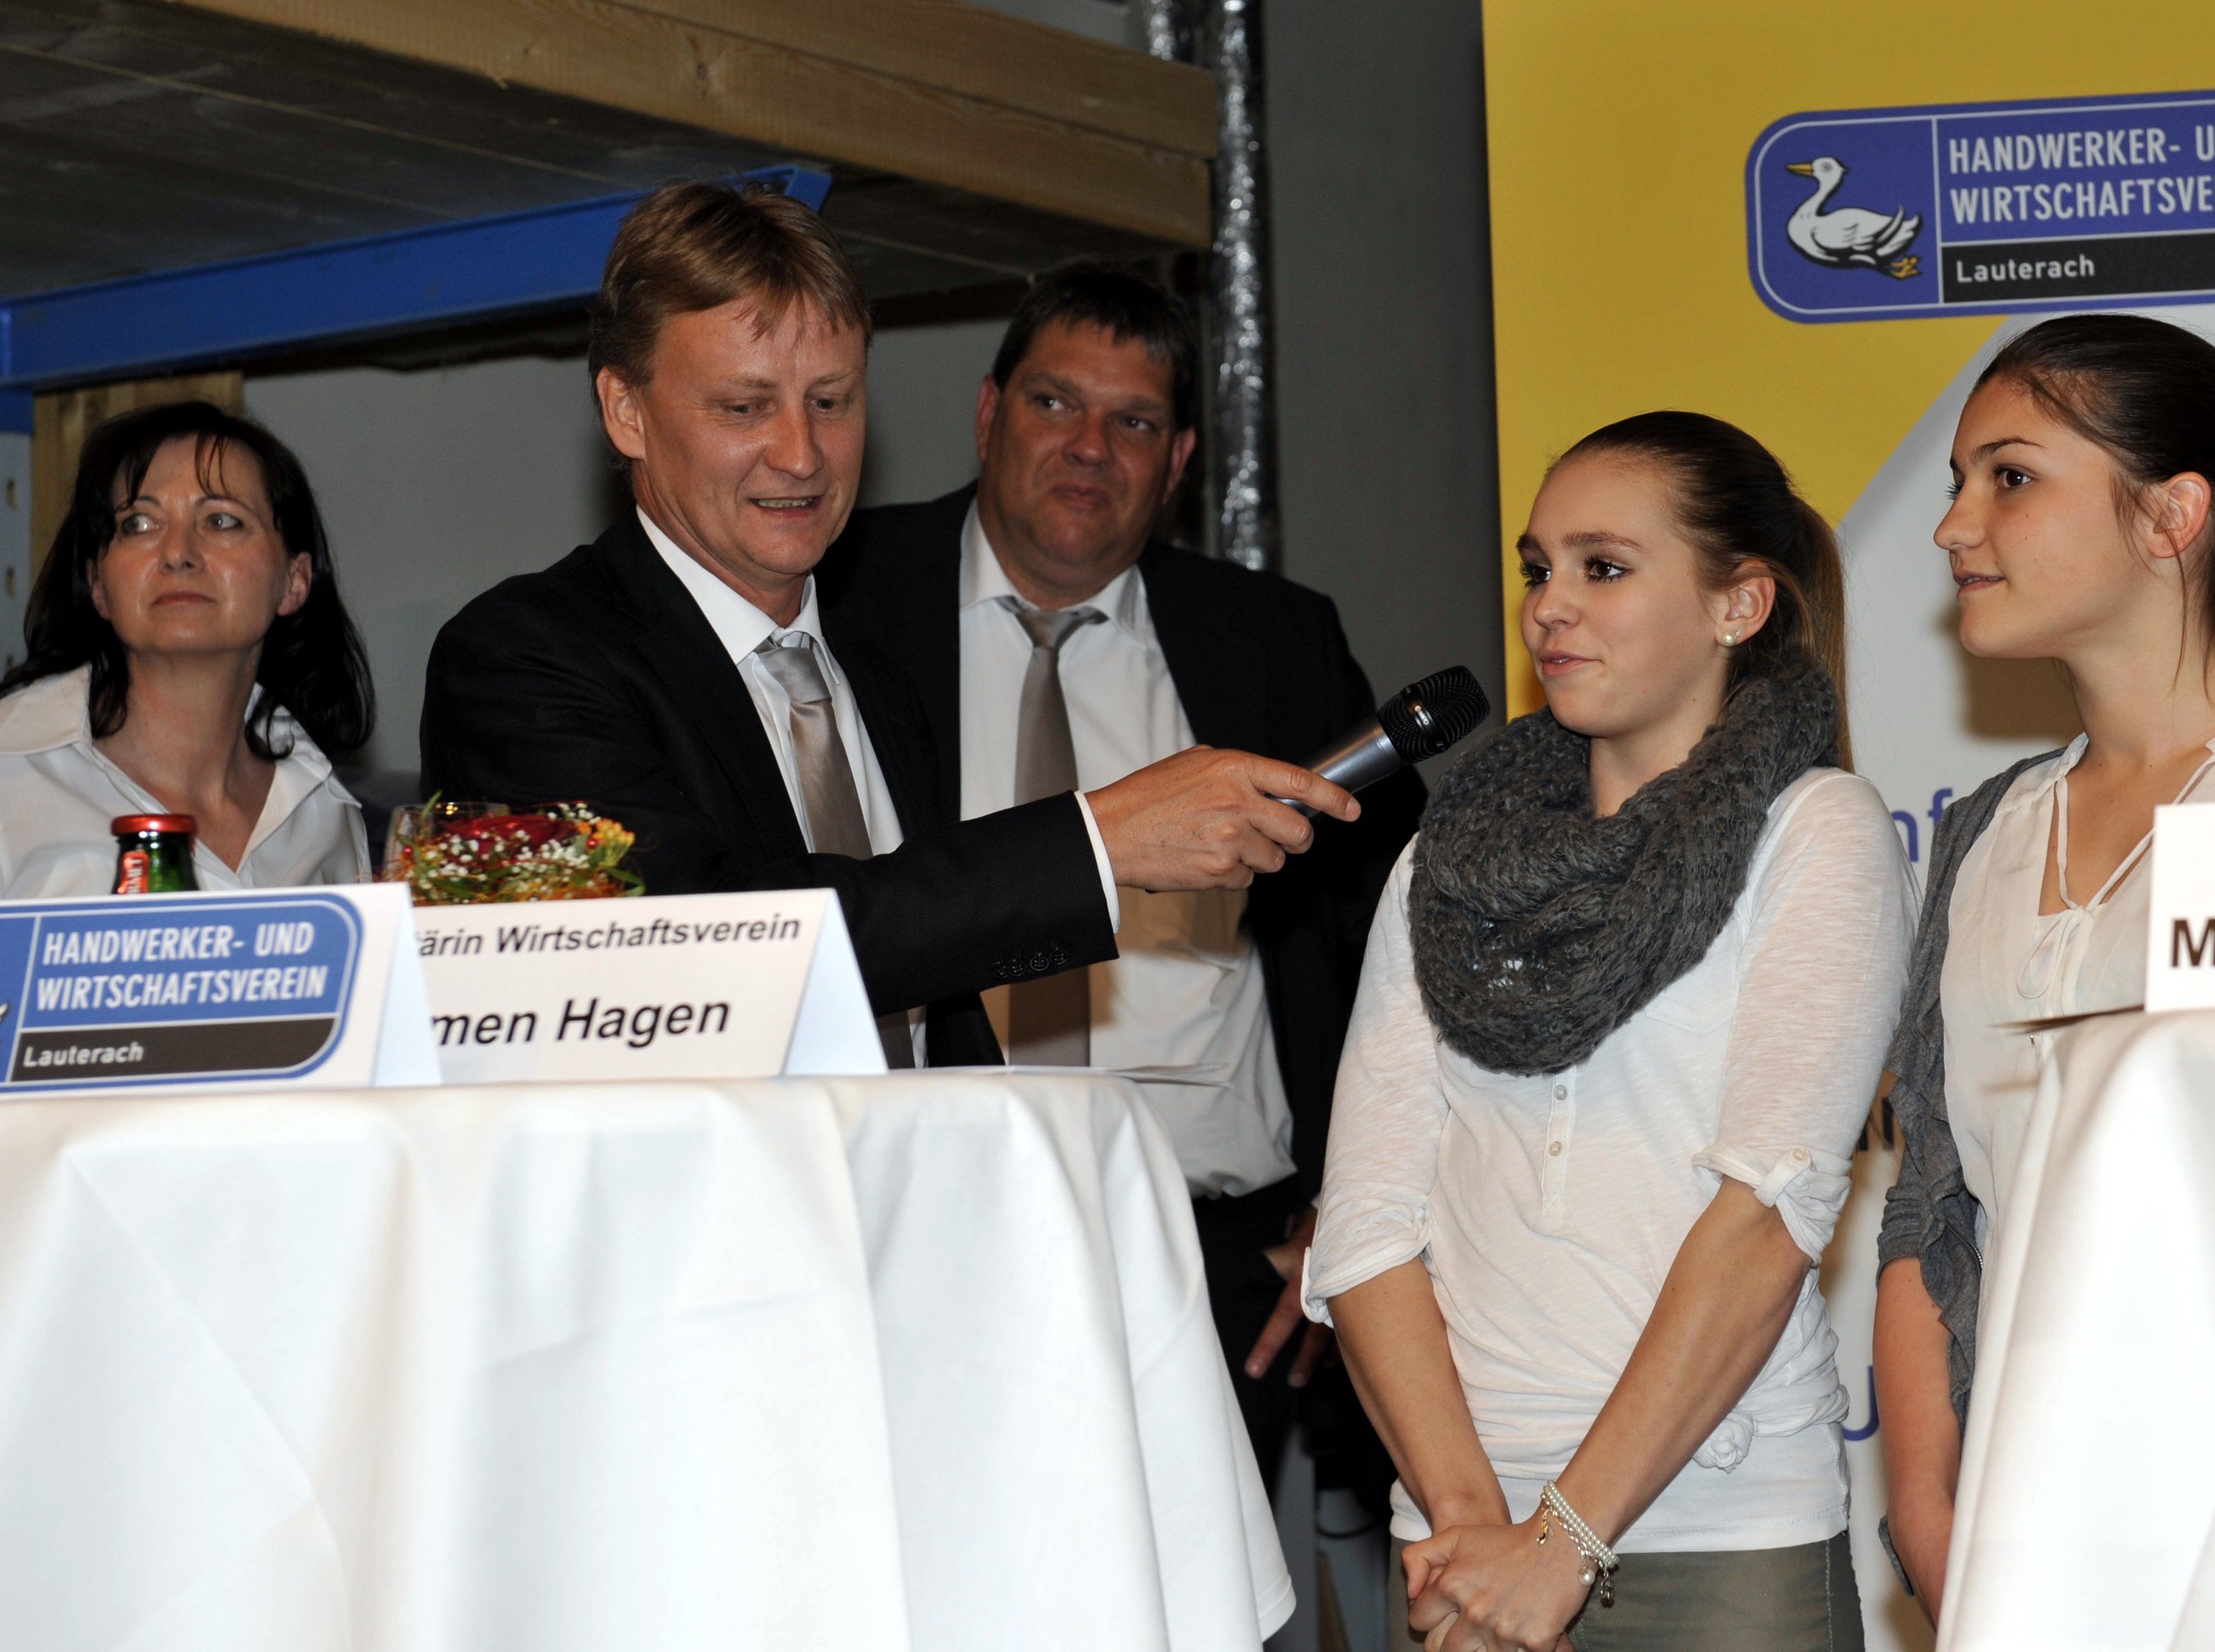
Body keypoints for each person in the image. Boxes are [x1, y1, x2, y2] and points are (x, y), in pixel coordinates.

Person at [421, 183, 1356, 1068]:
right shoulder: (517, 662)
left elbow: (931, 982)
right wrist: (1096, 842)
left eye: (830, 402)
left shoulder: (874, 661)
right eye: (746, 407)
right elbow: (687, 957)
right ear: (626, 411)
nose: (801, 454)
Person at [1303, 412, 1913, 1651]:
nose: (1548, 606)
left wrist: (1561, 1539)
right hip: (1460, 1551)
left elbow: (1766, 1215)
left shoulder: (1815, 831)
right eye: (1538, 568)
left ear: (1738, 603)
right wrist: (1473, 1524)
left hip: (1722, 1544)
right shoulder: (1444, 862)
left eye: (1603, 566)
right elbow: (1364, 1224)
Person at [1873, 314, 2215, 1624]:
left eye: (2009, 477)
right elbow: (1926, 1205)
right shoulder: (1985, 828)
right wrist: (1927, 1512)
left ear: (2169, 515)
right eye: (1957, 483)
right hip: (2020, 1525)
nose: (1953, 526)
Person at [826, 264, 1424, 1480]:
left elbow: (1404, 942)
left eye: (1133, 421)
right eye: (1054, 403)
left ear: (1180, 458)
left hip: (1216, 1263)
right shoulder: (843, 600)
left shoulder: (1273, 642)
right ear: (987, 412)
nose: (1088, 447)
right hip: (921, 1243)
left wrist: (1363, 1204)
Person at [0, 401, 374, 896]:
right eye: (138, 523)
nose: (178, 553)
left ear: (294, 580)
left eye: (221, 521)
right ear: (98, 586)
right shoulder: (10, 771)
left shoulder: (324, 813)